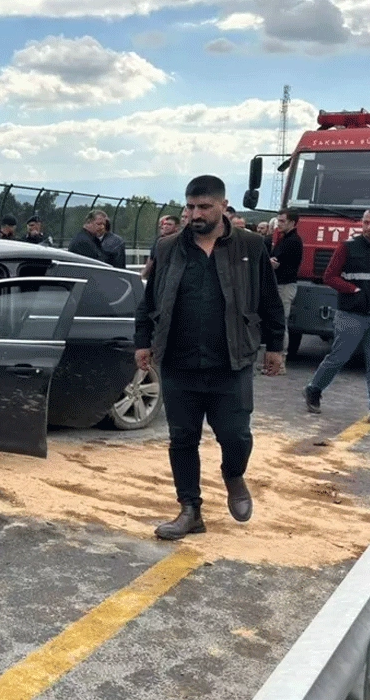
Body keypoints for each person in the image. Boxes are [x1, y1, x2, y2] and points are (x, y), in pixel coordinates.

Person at [134, 175, 285, 541]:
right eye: (190, 207)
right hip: (178, 362)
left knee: (236, 436)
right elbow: (150, 299)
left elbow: (269, 298)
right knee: (182, 438)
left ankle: (234, 475)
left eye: (203, 207)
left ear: (222, 206)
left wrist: (276, 346)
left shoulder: (249, 245)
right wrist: (142, 341)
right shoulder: (169, 247)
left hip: (230, 362)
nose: (195, 214)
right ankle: (190, 510)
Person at [304, 207, 370, 428]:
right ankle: (314, 389)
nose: (369, 227)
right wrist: (354, 291)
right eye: (366, 223)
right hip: (352, 314)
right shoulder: (347, 247)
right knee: (338, 357)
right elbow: (329, 276)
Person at [270, 209, 304, 367]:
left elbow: (279, 262)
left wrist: (273, 264)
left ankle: (280, 360)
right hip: (280, 284)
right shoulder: (283, 239)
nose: (279, 224)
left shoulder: (293, 241)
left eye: (282, 221)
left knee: (280, 322)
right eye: (278, 220)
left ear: (292, 222)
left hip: (285, 285)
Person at [142, 215, 180, 280]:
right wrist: (143, 274)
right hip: (158, 275)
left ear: (176, 227)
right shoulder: (158, 241)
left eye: (169, 224)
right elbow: (152, 259)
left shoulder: (179, 241)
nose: (165, 226)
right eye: (165, 224)